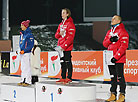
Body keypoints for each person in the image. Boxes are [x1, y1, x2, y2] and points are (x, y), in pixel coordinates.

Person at [103, 15, 129, 102]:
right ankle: (113, 94)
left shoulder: (123, 32)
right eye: (112, 18)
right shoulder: (109, 31)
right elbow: (104, 44)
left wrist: (116, 57)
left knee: (120, 77)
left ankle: (122, 95)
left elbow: (123, 46)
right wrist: (110, 40)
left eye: (114, 18)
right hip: (110, 58)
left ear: (119, 21)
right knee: (113, 77)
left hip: (119, 58)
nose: (112, 19)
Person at [55, 8, 76, 84]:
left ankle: (69, 77)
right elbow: (56, 35)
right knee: (62, 62)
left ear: (67, 14)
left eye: (64, 13)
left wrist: (64, 46)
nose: (62, 14)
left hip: (66, 47)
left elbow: (70, 37)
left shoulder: (70, 24)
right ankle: (63, 77)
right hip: (60, 47)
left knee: (68, 61)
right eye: (61, 13)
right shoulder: (61, 24)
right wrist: (59, 34)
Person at [17, 20, 34, 86]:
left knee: (27, 67)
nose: (21, 27)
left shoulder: (29, 35)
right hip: (22, 53)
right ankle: (22, 79)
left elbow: (30, 45)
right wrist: (19, 50)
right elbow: (21, 44)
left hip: (27, 53)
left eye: (22, 25)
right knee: (23, 67)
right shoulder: (22, 34)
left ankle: (28, 81)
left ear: (25, 26)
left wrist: (25, 50)